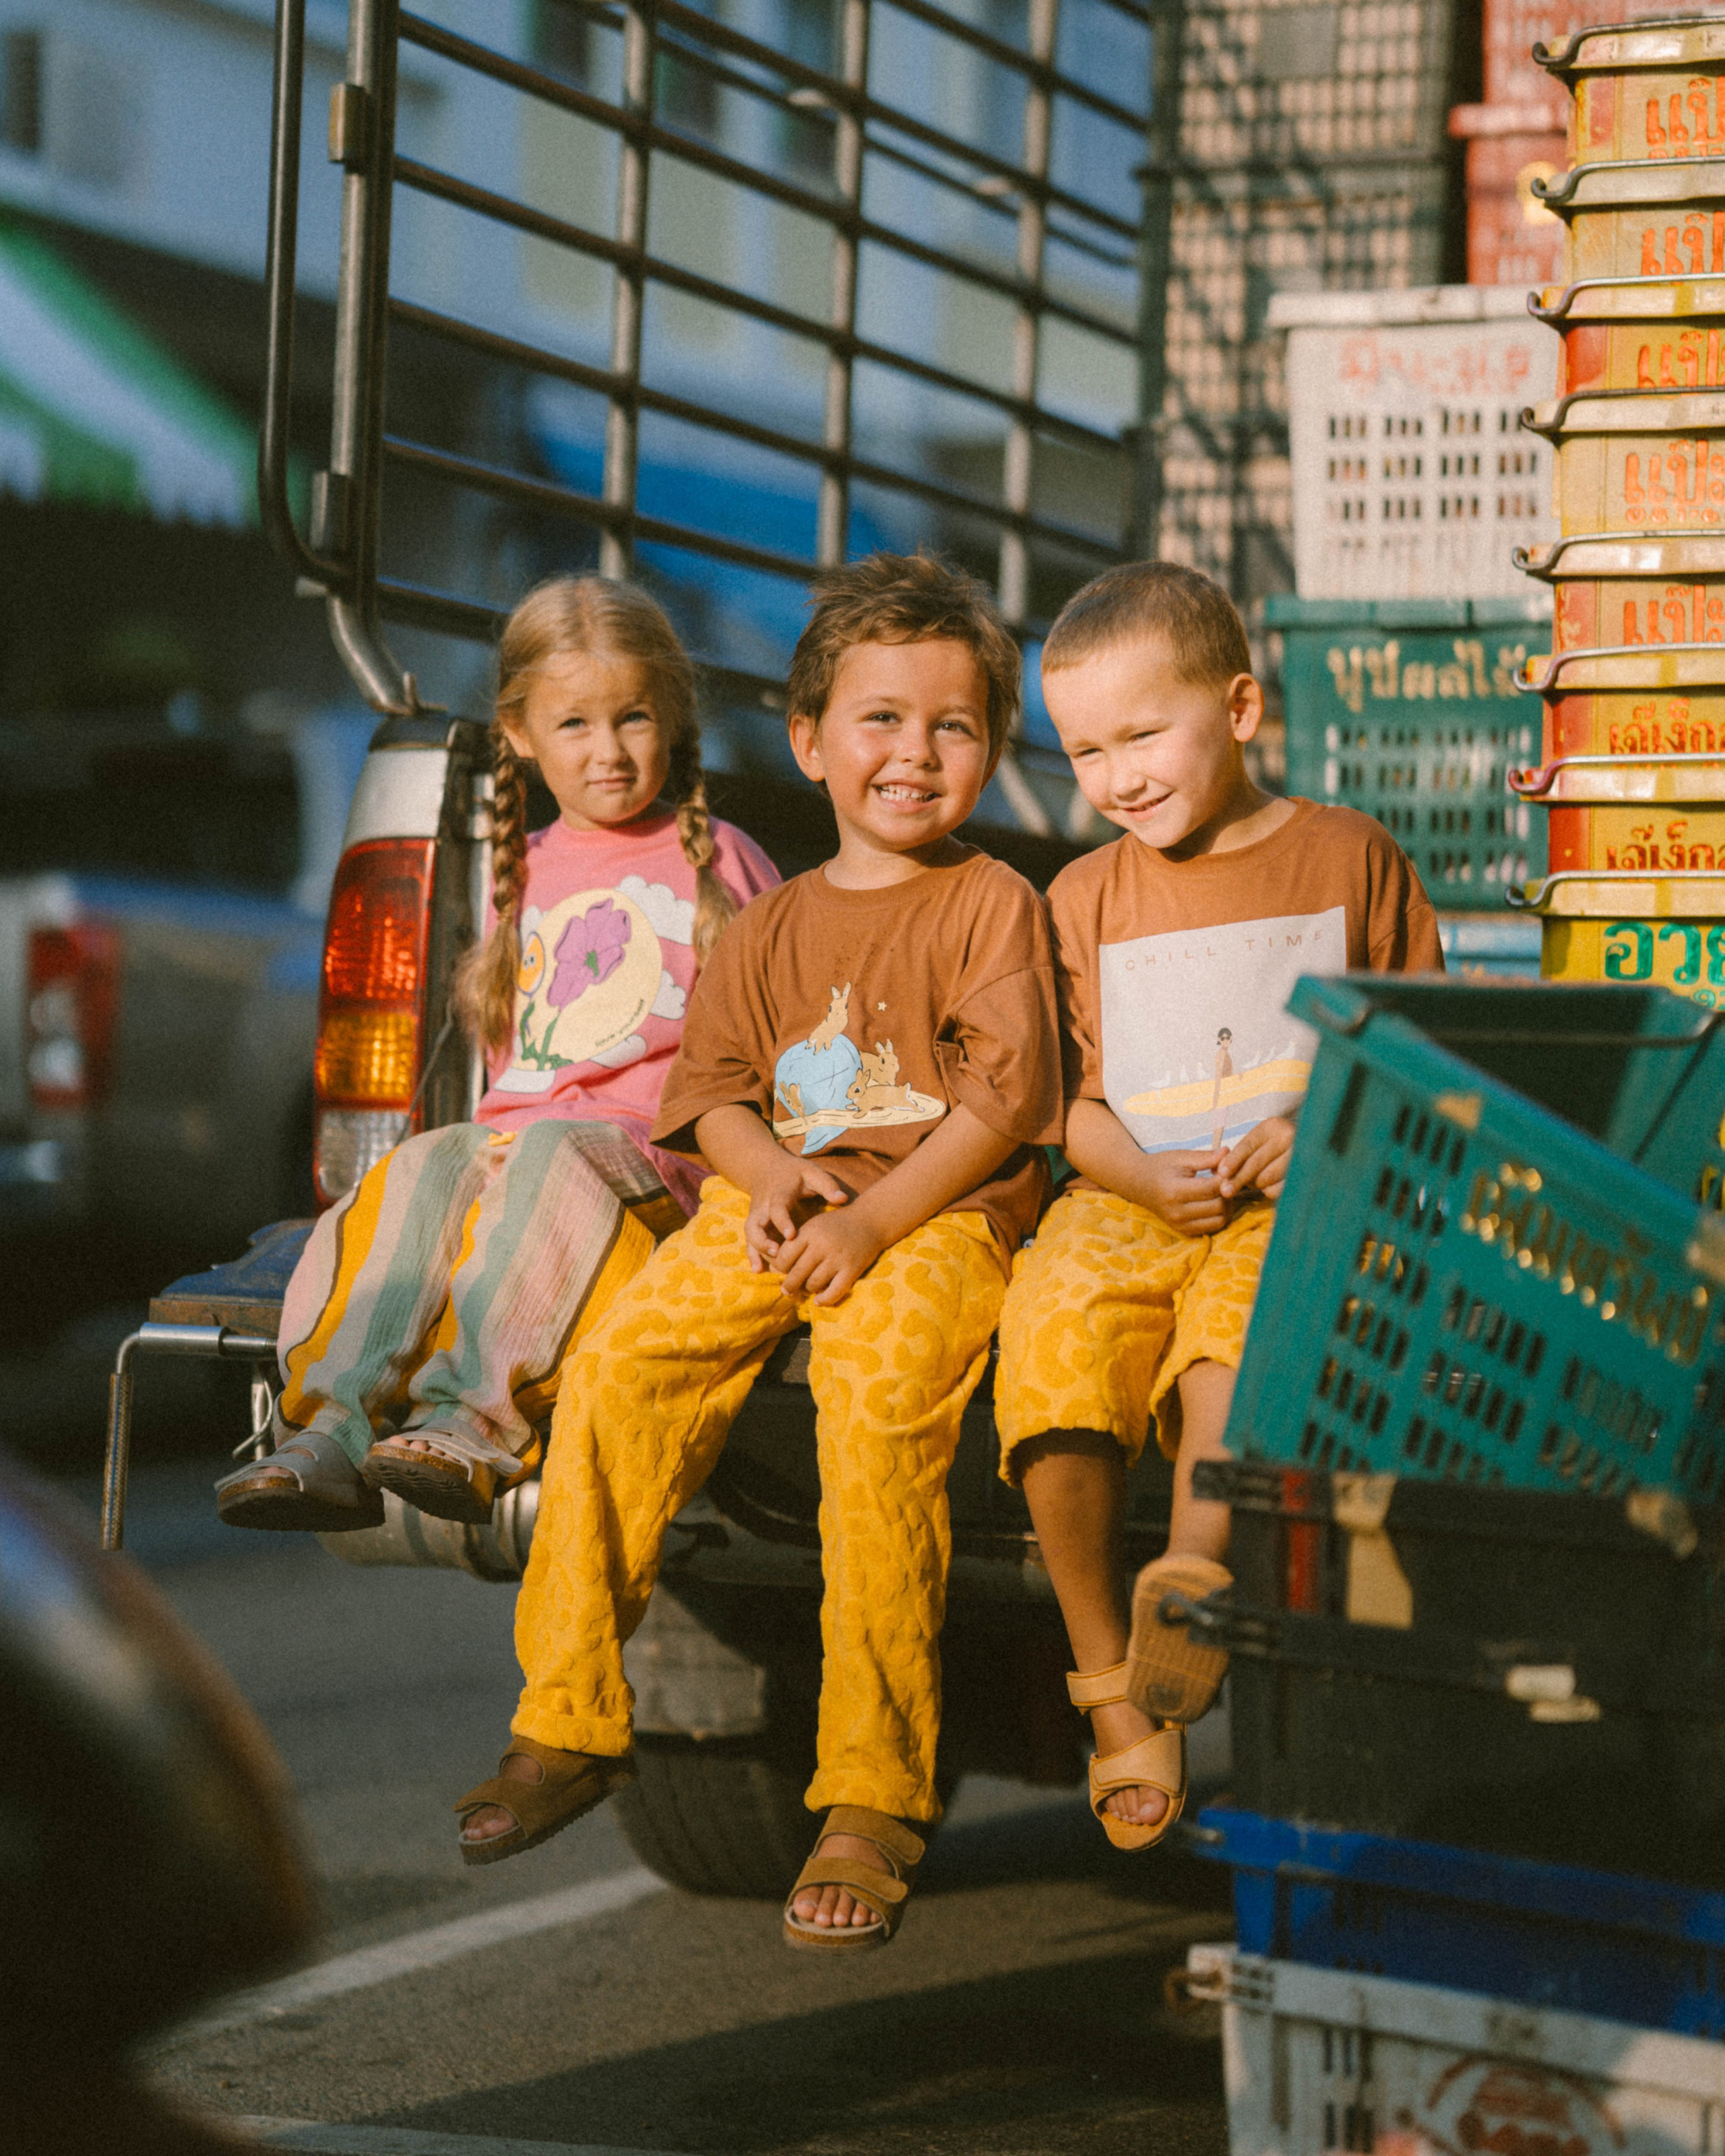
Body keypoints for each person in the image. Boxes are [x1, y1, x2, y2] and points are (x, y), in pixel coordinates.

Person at [454, 552, 1062, 1954]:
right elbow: (713, 1094)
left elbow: (998, 1108)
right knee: (616, 1370)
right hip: (779, 1201)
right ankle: (569, 1718)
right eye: (878, 721)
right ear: (805, 740)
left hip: (936, 1217)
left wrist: (866, 1218)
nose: (912, 755)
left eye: (951, 728)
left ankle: (869, 1791)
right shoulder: (770, 915)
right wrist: (779, 1181)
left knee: (870, 1425)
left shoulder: (990, 906)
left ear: (990, 750)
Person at [994, 561, 1443, 1850]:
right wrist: (1135, 1174)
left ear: (1240, 709)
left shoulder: (1347, 855)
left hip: (1292, 1197)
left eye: (1145, 734)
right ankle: (1110, 1683)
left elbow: (1411, 1049)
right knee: (1056, 1336)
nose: (1120, 775)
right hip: (1127, 1196)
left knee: (1243, 1330)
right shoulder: (1081, 897)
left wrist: (1316, 1130)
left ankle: (1190, 1574)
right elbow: (1065, 1105)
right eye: (1086, 750)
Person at [215, 575, 778, 1534]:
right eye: (575, 726)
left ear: (673, 715)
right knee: (424, 1161)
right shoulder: (523, 864)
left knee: (556, 1158)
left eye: (634, 717)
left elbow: (783, 1036)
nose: (608, 750)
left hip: (646, 1163)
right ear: (517, 733)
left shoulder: (722, 858)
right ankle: (335, 1426)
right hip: (521, 1154)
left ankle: (474, 1419)